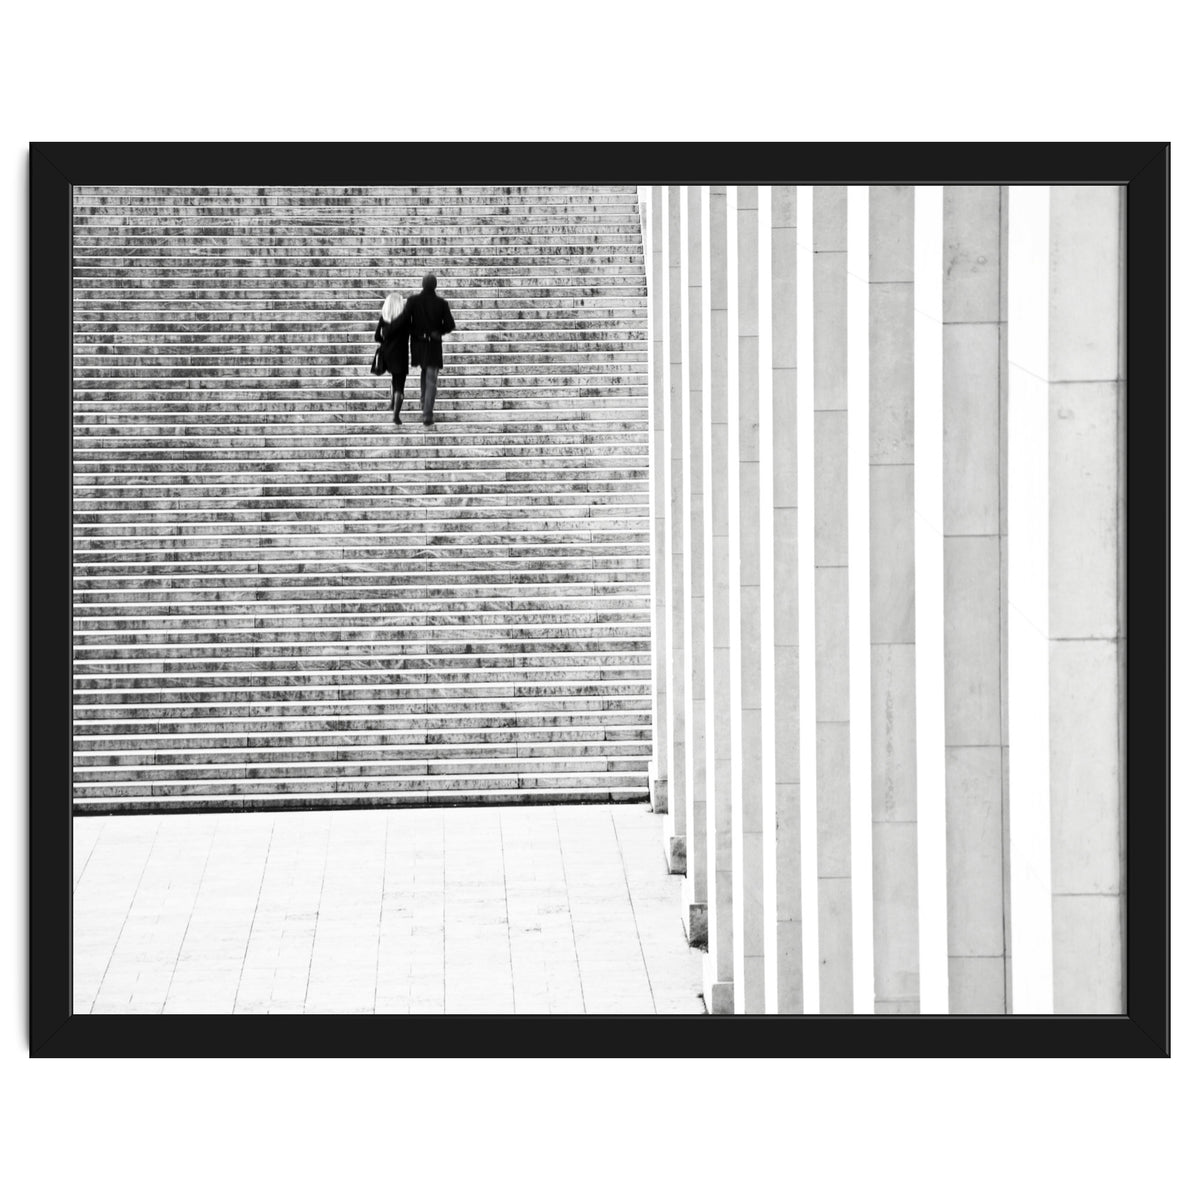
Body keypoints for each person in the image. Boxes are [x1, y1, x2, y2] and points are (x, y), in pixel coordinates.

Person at [402, 271, 456, 428]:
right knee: (431, 377)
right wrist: (438, 332)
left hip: (419, 344)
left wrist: (416, 333)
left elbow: (405, 321)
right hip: (433, 344)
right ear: (435, 285)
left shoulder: (413, 301)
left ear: (422, 284)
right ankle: (427, 413)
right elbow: (450, 324)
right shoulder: (441, 303)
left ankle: (424, 404)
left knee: (425, 372)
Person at [374, 292, 411, 425]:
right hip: (400, 354)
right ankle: (396, 415)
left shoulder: (384, 318)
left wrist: (386, 338)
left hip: (387, 354)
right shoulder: (405, 318)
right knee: (399, 385)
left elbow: (377, 336)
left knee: (394, 378)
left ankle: (391, 403)